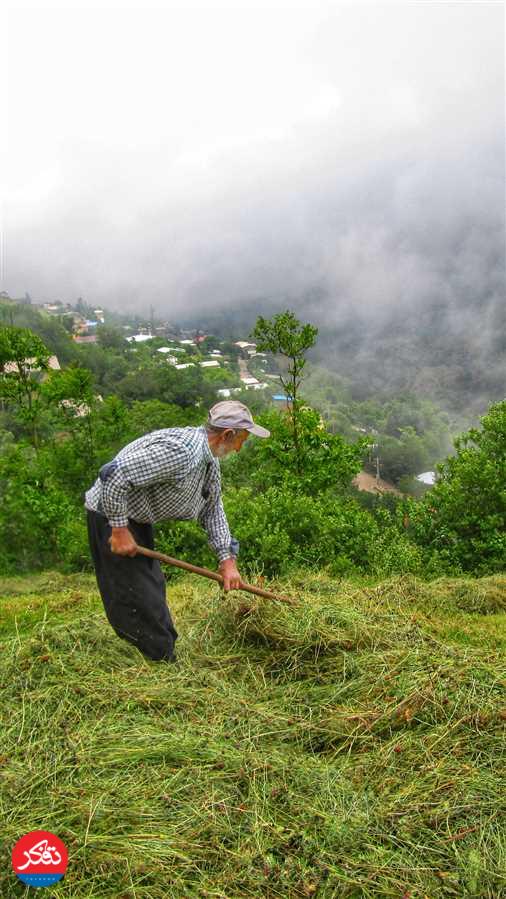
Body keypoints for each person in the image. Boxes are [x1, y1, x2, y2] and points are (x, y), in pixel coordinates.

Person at [84, 400, 270, 662]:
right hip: (111, 516)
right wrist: (118, 528)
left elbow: (212, 509)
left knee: (152, 587)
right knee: (136, 596)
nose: (239, 449)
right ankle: (154, 661)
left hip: (135, 520)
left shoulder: (209, 463)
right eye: (242, 440)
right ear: (227, 435)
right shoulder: (182, 452)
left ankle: (159, 652)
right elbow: (113, 474)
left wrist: (227, 560)